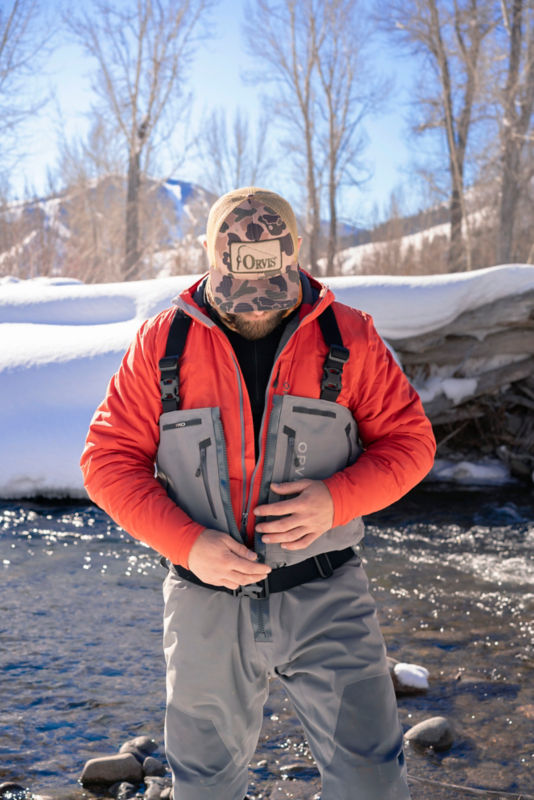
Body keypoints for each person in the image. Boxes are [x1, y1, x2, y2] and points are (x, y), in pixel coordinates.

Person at [81, 186, 436, 800]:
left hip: (328, 592)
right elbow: (107, 460)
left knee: (373, 781)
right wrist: (188, 544)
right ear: (208, 255)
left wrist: (336, 499)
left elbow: (411, 443)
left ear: (295, 253)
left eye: (268, 285)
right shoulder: (161, 343)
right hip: (204, 605)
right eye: (237, 283)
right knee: (205, 788)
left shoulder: (349, 337)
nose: (252, 308)